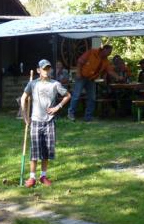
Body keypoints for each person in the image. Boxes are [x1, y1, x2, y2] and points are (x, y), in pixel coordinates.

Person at [21, 60, 71, 188]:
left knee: (46, 151)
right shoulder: (33, 84)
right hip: (36, 121)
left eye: (48, 68)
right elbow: (23, 98)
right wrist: (25, 116)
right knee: (35, 150)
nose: (46, 71)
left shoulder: (55, 84)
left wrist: (57, 107)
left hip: (49, 121)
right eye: (44, 69)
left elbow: (67, 95)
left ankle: (43, 176)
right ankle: (32, 177)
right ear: (38, 70)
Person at [67, 44, 122, 122]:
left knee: (92, 98)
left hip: (91, 80)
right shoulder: (92, 52)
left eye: (110, 52)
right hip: (82, 77)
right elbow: (80, 62)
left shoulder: (106, 61)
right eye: (109, 52)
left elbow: (110, 71)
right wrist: (78, 73)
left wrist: (118, 77)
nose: (109, 54)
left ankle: (88, 117)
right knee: (76, 96)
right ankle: (70, 114)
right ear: (104, 50)